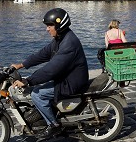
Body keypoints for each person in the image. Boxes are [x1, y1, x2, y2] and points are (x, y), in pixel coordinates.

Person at [11, 8, 89, 139]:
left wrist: (28, 80)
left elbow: (52, 69)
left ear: (60, 25)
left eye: (50, 26)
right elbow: (43, 54)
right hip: (66, 78)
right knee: (37, 88)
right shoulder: (61, 38)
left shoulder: (69, 43)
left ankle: (54, 125)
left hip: (72, 82)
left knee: (37, 94)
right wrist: (21, 65)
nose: (47, 29)